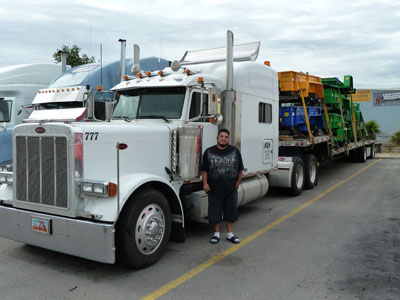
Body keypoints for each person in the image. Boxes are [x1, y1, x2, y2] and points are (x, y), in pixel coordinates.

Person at [202, 128, 244, 244]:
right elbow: (204, 170)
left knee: (230, 211)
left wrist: (238, 182)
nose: (223, 139)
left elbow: (240, 169)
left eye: (226, 137)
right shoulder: (208, 152)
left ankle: (230, 234)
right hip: (214, 189)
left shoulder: (235, 151)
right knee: (215, 212)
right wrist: (205, 183)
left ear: (228, 139)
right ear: (217, 138)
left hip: (231, 189)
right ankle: (216, 234)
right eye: (221, 136)